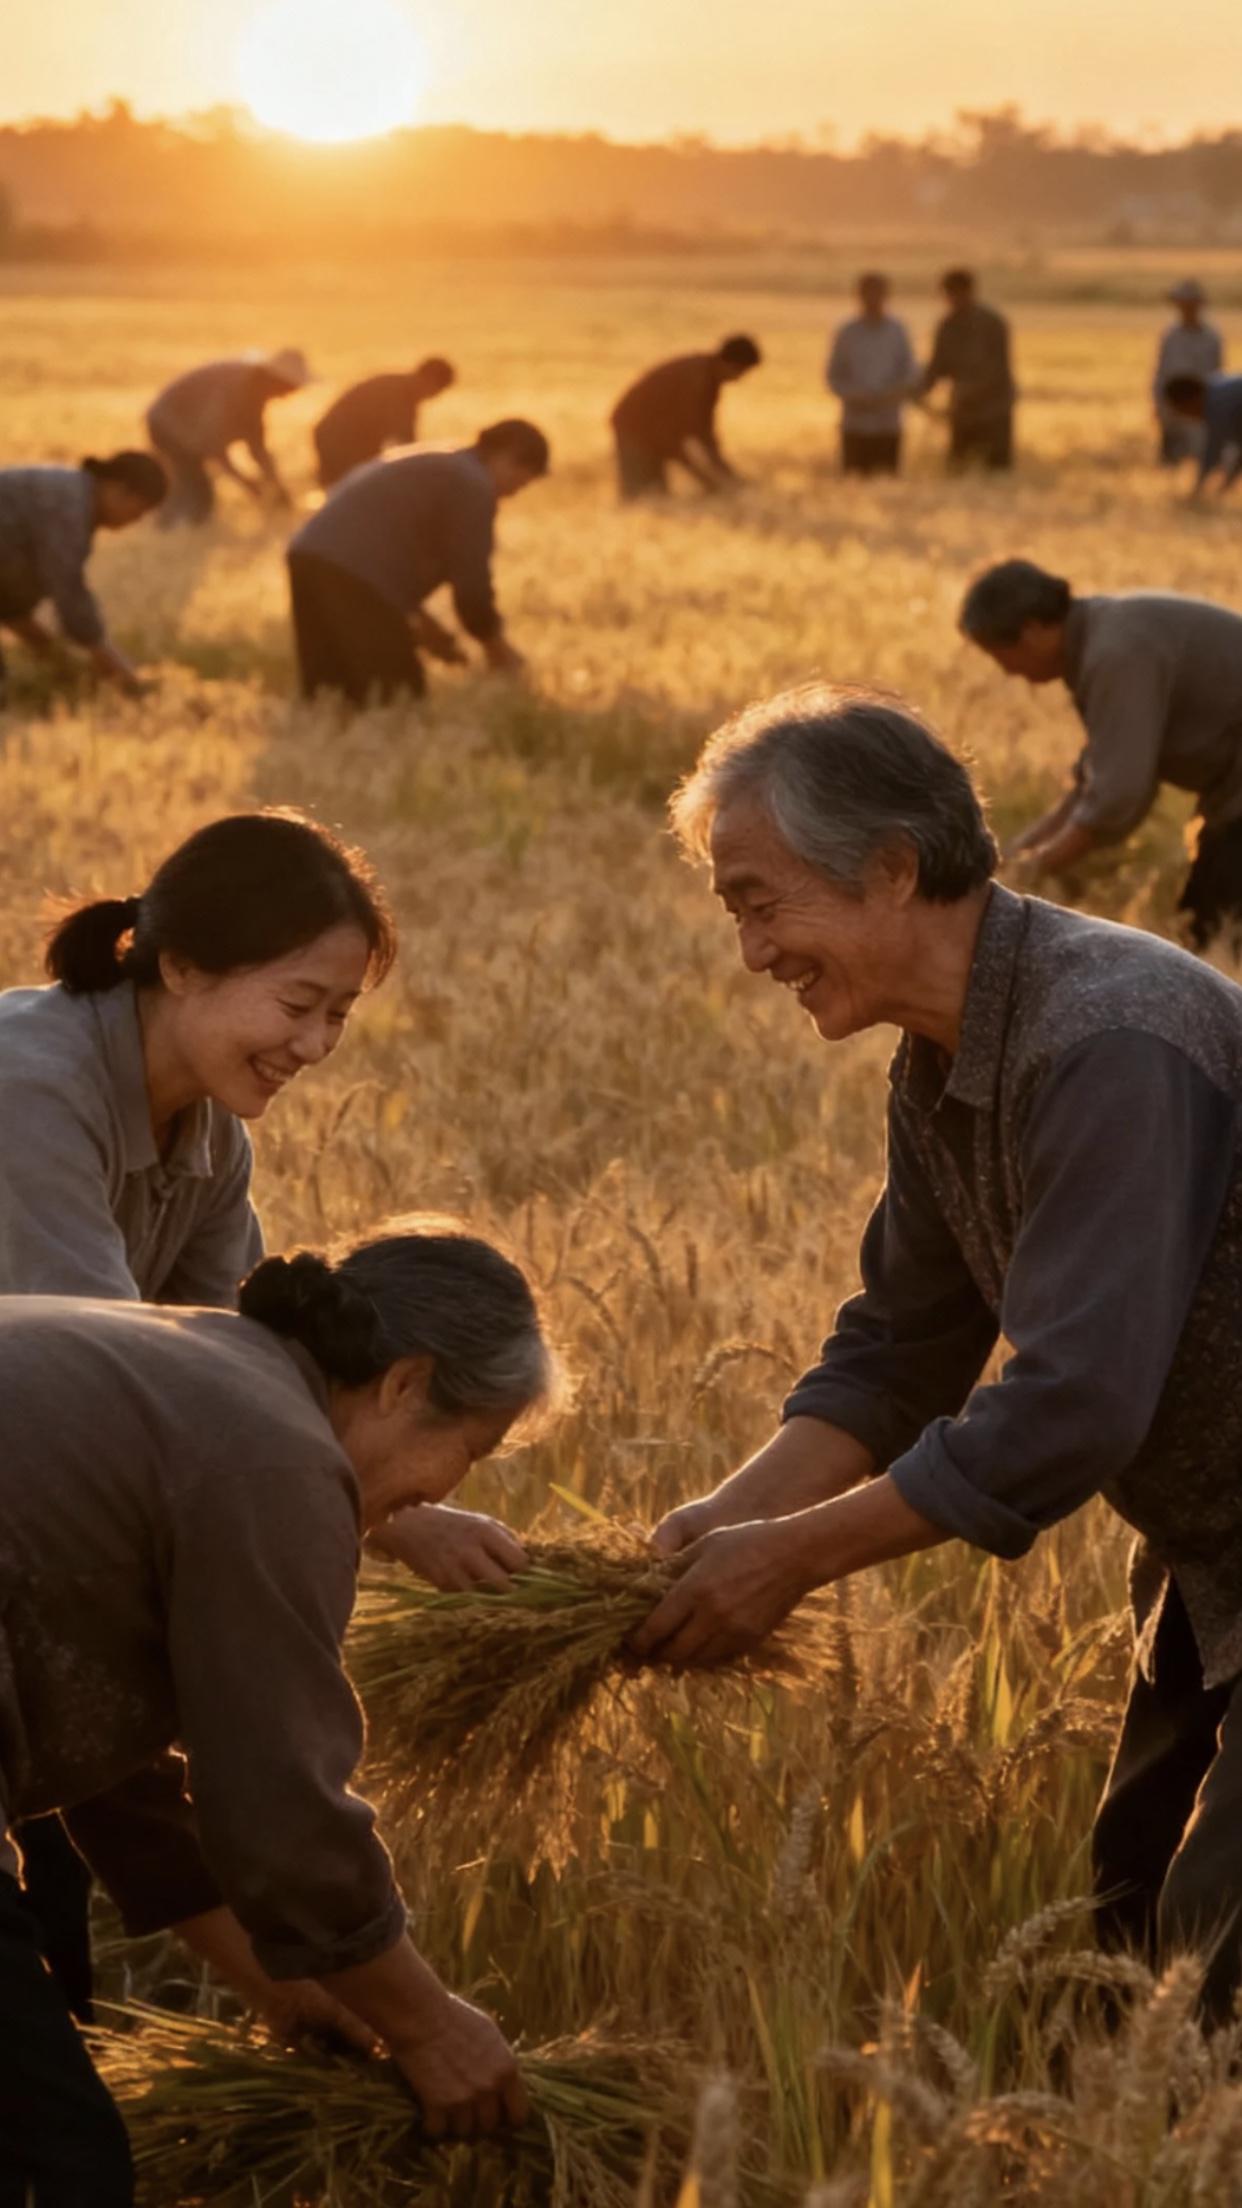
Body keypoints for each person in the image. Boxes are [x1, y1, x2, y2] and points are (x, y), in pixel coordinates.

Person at [632, 682, 1242, 2028]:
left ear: (893, 867)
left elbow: (1073, 1400)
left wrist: (786, 1562)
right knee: (1122, 1947)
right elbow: (901, 1349)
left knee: (1208, 1972)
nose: (749, 952)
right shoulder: (945, 1057)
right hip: (1210, 1565)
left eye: (756, 900)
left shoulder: (1108, 1038)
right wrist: (726, 1519)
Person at [0, 812, 528, 2027]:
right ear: (180, 964)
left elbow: (229, 1368)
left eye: (340, 1015)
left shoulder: (211, 1141)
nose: (319, 1043)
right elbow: (132, 1406)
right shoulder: (30, 1092)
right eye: (299, 1003)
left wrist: (401, 1508)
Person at [0, 1219, 560, 2200]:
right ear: (405, 1385)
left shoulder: (198, 1370)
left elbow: (120, 1776)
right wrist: (426, 2023)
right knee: (57, 2165)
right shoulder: (277, 1457)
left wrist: (286, 1987)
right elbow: (278, 1804)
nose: (445, 1493)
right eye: (472, 1451)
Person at [958, 559, 1242, 948]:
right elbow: (1093, 782)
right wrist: (1012, 860)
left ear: (1033, 631)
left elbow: (1118, 795)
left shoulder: (1115, 653)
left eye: (999, 653)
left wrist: (1029, 873)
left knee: (1214, 935)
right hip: (1230, 795)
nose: (1008, 672)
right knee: (1204, 930)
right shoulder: (1103, 635)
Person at [286, 418, 548, 704]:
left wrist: (428, 629)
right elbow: (472, 588)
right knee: (398, 698)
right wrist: (498, 650)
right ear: (507, 455)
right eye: (521, 479)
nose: (514, 492)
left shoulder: (441, 463)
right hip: (351, 571)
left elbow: (386, 557)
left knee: (330, 688)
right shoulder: (473, 486)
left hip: (308, 553)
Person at [0, 452, 166, 706]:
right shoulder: (69, 506)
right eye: (138, 511)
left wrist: (60, 661)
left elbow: (10, 603)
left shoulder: (73, 494)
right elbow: (69, 592)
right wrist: (123, 675)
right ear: (121, 490)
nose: (135, 521)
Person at [145, 348, 312, 527]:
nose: (288, 395)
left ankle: (168, 525)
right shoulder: (233, 392)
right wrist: (248, 485)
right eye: (289, 388)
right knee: (194, 490)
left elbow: (257, 447)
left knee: (191, 488)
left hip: (183, 428)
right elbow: (213, 447)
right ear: (277, 380)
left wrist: (276, 486)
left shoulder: (254, 394)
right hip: (167, 425)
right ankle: (168, 527)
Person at [609, 335, 761, 500]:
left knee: (656, 494)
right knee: (641, 495)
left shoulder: (708, 378)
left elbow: (703, 433)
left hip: (651, 431)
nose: (740, 379)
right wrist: (704, 477)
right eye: (741, 372)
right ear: (730, 364)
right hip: (633, 428)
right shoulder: (696, 380)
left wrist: (726, 474)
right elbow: (677, 437)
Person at [313, 357, 457, 490]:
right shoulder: (398, 395)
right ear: (428, 380)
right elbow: (407, 443)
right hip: (338, 442)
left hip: (341, 441)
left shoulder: (401, 390)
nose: (435, 396)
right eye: (438, 390)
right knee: (352, 490)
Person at [921, 269, 1015, 471]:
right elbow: (938, 366)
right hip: (963, 413)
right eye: (949, 294)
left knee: (996, 471)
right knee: (958, 469)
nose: (953, 299)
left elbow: (998, 369)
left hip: (994, 411)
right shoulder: (946, 325)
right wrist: (919, 389)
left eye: (957, 293)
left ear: (970, 291)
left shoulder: (992, 323)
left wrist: (968, 390)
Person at [826, 274, 918, 476]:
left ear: (886, 295)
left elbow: (910, 372)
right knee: (853, 486)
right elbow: (833, 376)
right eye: (868, 293)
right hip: (855, 424)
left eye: (878, 293)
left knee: (887, 484)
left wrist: (890, 394)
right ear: (858, 295)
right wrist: (858, 396)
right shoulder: (847, 332)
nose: (873, 298)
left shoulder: (897, 331)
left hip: (889, 424)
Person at [1154, 281, 1223, 465]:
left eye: (1189, 303)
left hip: (1200, 408)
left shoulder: (1211, 337)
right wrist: (1159, 403)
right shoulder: (1170, 335)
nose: (1185, 307)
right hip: (1172, 408)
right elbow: (1161, 371)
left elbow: (1217, 373)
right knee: (1171, 458)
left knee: (1201, 452)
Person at [1162, 370, 1242, 498]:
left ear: (1190, 401)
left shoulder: (1217, 406)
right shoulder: (1217, 389)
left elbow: (1213, 451)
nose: (1188, 418)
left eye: (1183, 411)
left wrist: (1197, 489)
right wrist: (1226, 487)